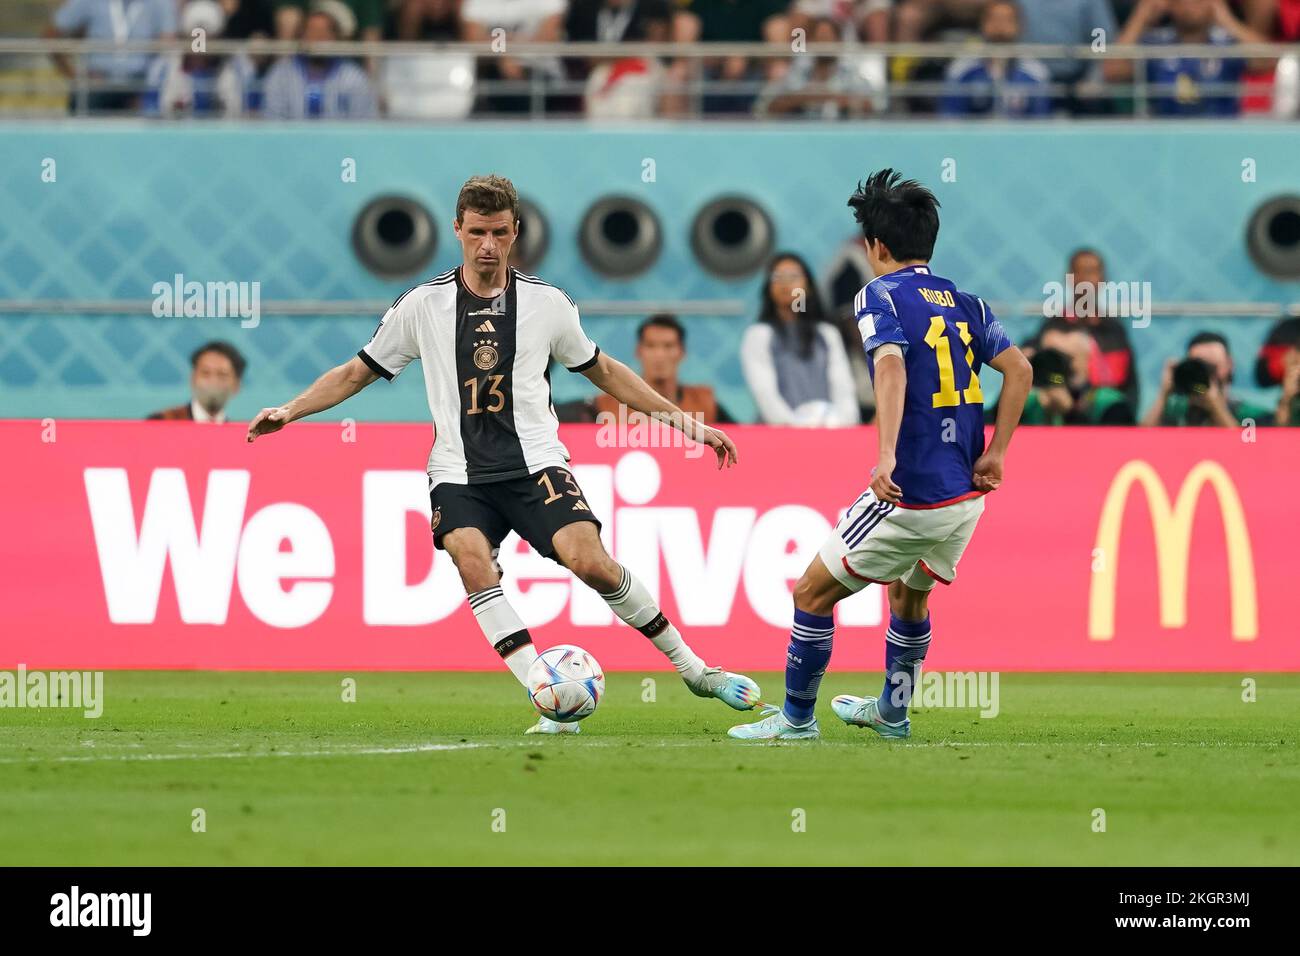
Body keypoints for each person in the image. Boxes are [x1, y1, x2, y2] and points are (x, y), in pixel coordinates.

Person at [246, 174, 760, 734]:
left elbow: (605, 371)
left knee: (590, 561)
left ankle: (694, 670)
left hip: (536, 463)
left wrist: (685, 423)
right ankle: (547, 695)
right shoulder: (423, 305)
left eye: (498, 233)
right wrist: (291, 409)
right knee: (471, 559)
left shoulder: (547, 305)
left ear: (515, 232)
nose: (487, 246)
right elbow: (355, 372)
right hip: (459, 471)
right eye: (476, 234)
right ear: (457, 232)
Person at [730, 169, 1031, 741]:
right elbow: (1020, 369)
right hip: (967, 495)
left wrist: (885, 456)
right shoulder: (967, 301)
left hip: (912, 491)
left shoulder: (878, 294)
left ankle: (795, 720)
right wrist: (998, 453)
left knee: (811, 592)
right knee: (908, 593)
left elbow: (890, 367)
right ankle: (893, 713)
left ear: (876, 247)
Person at [741, 252, 860, 427]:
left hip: (829, 433)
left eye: (794, 276)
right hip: (778, 436)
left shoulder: (827, 333)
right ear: (769, 287)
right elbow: (765, 394)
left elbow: (843, 388)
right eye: (778, 277)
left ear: (808, 286)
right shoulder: (759, 335)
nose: (786, 283)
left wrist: (838, 424)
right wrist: (797, 428)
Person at [1110, 0, 1270, 117]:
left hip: (1222, 133)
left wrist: (1227, 20)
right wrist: (1141, 16)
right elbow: (1112, 71)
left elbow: (1269, 61)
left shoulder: (1229, 43)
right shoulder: (1154, 43)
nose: (1190, 4)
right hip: (1164, 134)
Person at [590, 314, 735, 423]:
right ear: (638, 351)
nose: (659, 355)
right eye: (651, 346)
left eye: (668, 346)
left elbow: (742, 441)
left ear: (682, 352)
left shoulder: (705, 404)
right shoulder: (605, 406)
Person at [45, 0, 177, 114]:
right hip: (98, 85)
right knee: (83, 105)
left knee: (157, 107)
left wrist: (153, 86)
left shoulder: (160, 3)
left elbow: (168, 47)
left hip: (140, 85)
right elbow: (51, 36)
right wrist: (74, 75)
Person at [261, 1, 378, 119]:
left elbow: (363, 125)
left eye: (324, 32)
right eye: (312, 31)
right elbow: (272, 122)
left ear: (335, 37)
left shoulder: (354, 78)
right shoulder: (281, 74)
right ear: (302, 35)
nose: (318, 38)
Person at [939, 0, 1052, 118]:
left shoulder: (1035, 71)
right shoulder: (961, 68)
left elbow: (1041, 120)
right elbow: (951, 118)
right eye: (994, 19)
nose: (1000, 26)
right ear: (982, 24)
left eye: (1007, 20)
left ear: (1020, 26)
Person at [1141, 331, 1273, 426]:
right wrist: (1164, 393)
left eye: (1212, 365)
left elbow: (1248, 451)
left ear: (1230, 365)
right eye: (1199, 366)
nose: (1206, 373)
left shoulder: (1251, 416)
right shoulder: (1175, 413)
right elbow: (1139, 442)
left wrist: (1216, 406)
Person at [147, 341, 246, 421]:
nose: (213, 381)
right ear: (192, 379)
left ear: (236, 385)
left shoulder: (239, 436)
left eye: (222, 374)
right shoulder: (162, 421)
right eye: (205, 373)